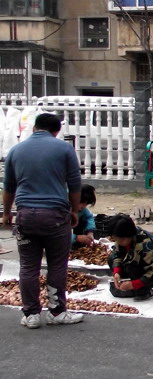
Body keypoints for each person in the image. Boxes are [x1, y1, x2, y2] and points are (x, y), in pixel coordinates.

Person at [1, 112, 84, 329]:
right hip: (55, 216)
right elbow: (75, 184)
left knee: (28, 266)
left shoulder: (16, 150)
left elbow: (8, 186)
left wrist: (7, 213)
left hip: (25, 216)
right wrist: (74, 211)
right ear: (56, 132)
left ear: (35, 127)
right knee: (57, 265)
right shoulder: (64, 149)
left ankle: (31, 314)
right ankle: (56, 312)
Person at [107, 214, 153, 301]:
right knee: (111, 259)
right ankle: (136, 285)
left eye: (121, 240)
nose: (119, 242)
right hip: (141, 268)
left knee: (131, 264)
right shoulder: (123, 239)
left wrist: (133, 284)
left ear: (129, 235)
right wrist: (117, 272)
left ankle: (144, 290)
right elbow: (116, 254)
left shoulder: (145, 243)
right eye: (116, 240)